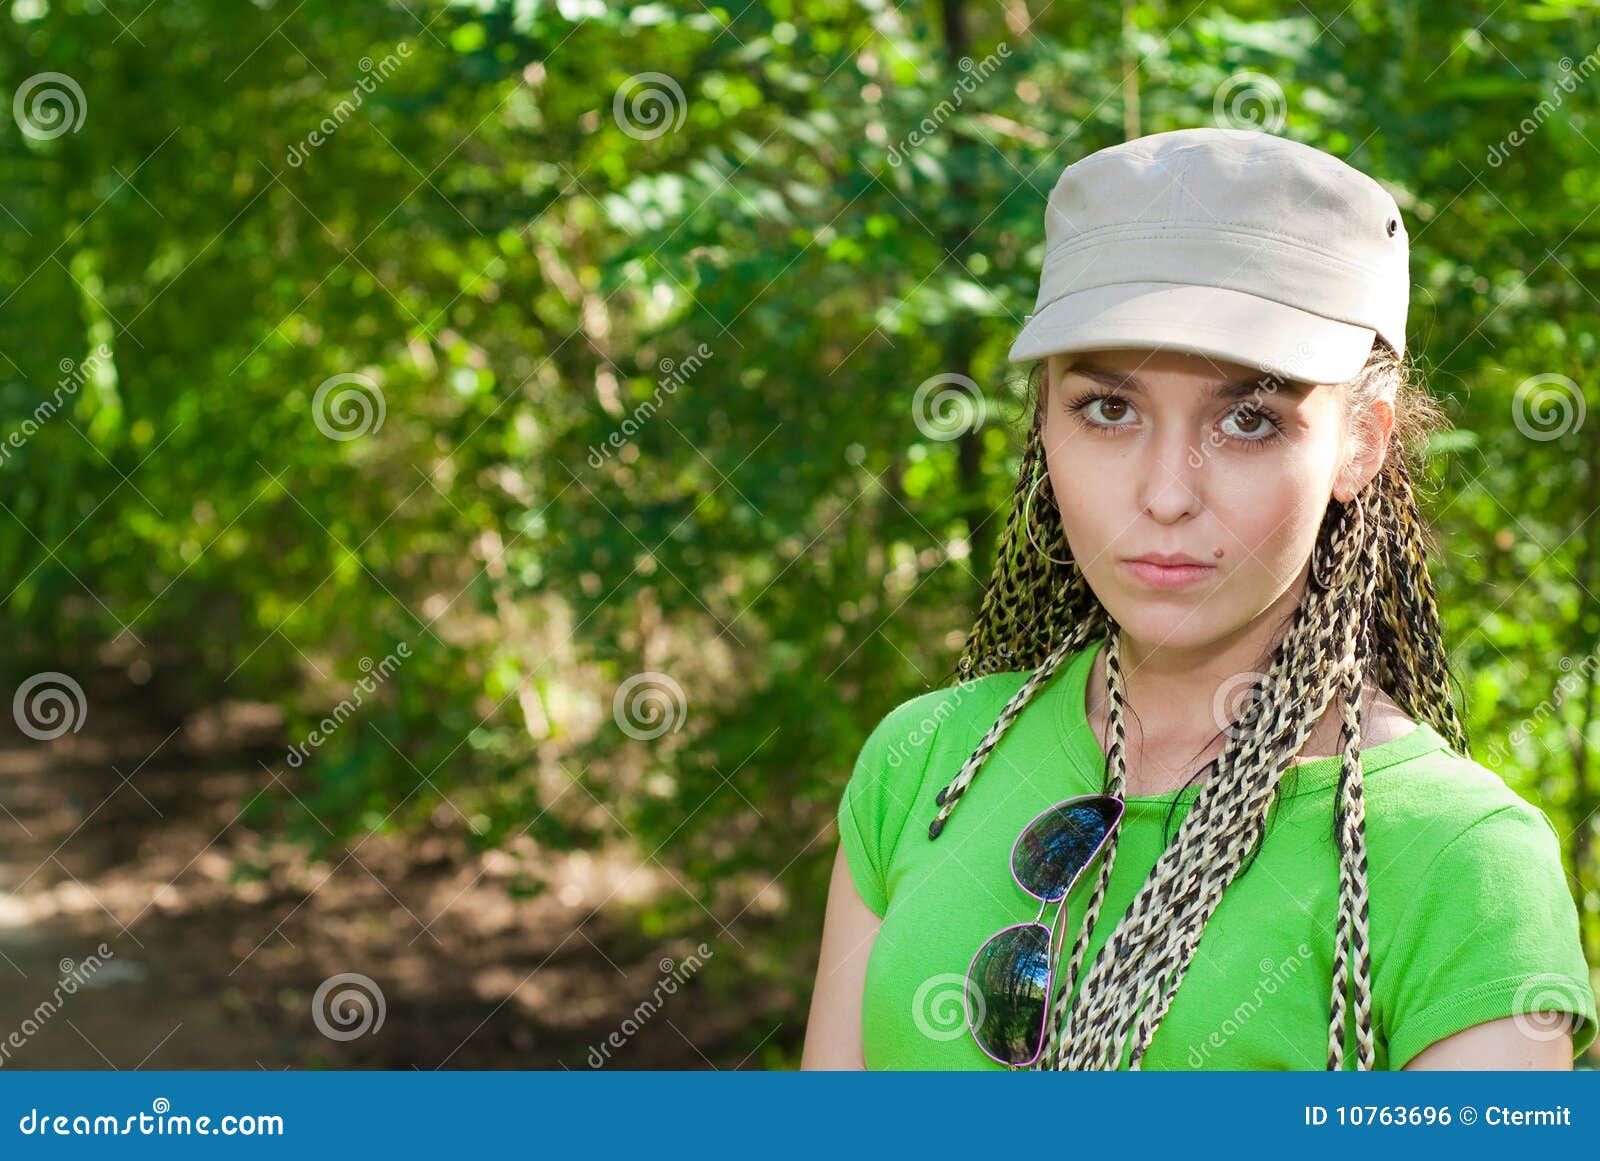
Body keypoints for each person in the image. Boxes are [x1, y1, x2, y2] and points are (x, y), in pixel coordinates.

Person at [801, 127, 1598, 1071]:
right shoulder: (922, 768)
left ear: (1361, 444)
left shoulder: (1462, 861)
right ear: (1044, 421)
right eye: (1109, 409)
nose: (1168, 493)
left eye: (1249, 419)